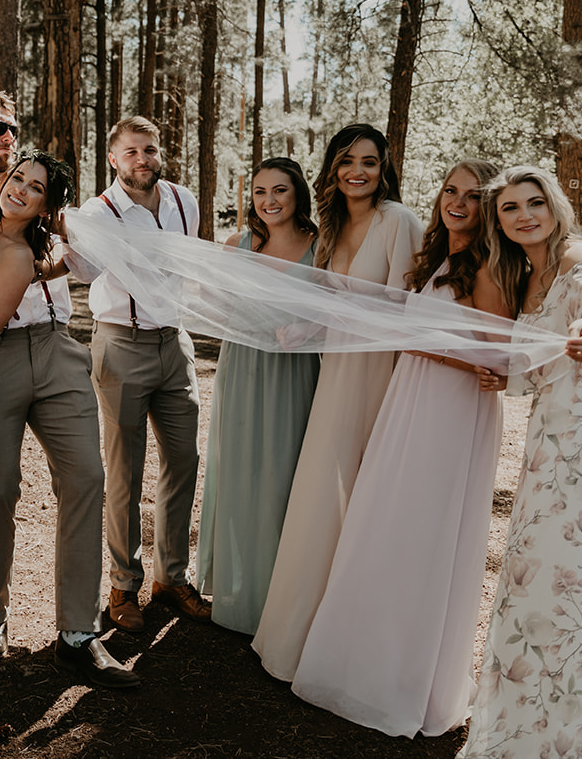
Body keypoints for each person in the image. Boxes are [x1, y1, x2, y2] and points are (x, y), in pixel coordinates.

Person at [290, 159, 508, 736]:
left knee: (422, 536)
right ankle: (364, 667)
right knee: (383, 526)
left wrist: (423, 345)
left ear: (490, 209)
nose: (457, 203)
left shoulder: (488, 267)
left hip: (452, 414)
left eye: (473, 196)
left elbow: (501, 355)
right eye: (450, 191)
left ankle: (407, 682)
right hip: (408, 401)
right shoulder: (437, 260)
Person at [458, 166, 582, 759]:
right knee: (543, 573)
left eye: (534, 202)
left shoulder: (576, 255)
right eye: (510, 208)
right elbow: (538, 363)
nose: (524, 215)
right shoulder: (528, 276)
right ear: (499, 222)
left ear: (554, 205)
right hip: (554, 441)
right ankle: (538, 727)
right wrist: (506, 373)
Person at [0, 93, 138, 688]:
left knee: (86, 478)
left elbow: (89, 263)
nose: (21, 185)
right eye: (17, 176)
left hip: (58, 351)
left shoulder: (60, 228)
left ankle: (78, 635)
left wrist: (55, 219)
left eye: (36, 184)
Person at [253, 122, 422, 679]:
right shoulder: (329, 225)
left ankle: (365, 642)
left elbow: (402, 310)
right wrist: (305, 331)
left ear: (384, 169)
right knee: (323, 494)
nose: (358, 172)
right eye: (347, 161)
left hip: (382, 375)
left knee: (373, 500)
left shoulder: (398, 222)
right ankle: (305, 632)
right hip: (335, 374)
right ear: (332, 169)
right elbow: (329, 303)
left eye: (369, 163)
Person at [77, 115, 212, 632]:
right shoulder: (100, 211)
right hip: (121, 345)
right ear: (113, 159)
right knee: (124, 471)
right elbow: (84, 271)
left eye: (150, 150)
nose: (142, 159)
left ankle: (171, 576)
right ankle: (123, 584)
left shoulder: (183, 201)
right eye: (131, 152)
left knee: (184, 459)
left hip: (174, 344)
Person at [194, 157, 320, 635]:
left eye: (280, 191)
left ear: (298, 195)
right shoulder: (238, 245)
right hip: (243, 368)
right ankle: (239, 588)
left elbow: (337, 308)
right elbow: (214, 300)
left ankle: (282, 593)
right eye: (260, 191)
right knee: (241, 470)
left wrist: (304, 330)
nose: (269, 201)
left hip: (294, 372)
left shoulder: (319, 246)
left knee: (285, 474)